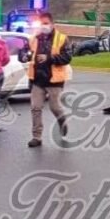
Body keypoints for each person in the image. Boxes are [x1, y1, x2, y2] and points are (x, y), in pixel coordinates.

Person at [25, 12, 72, 147]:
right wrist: (24, 56)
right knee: (36, 108)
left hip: (54, 80)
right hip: (37, 79)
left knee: (54, 107)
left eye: (46, 23)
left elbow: (67, 58)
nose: (43, 26)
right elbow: (25, 53)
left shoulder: (62, 39)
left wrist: (49, 58)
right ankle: (37, 137)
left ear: (52, 24)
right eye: (42, 24)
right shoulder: (34, 38)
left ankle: (62, 121)